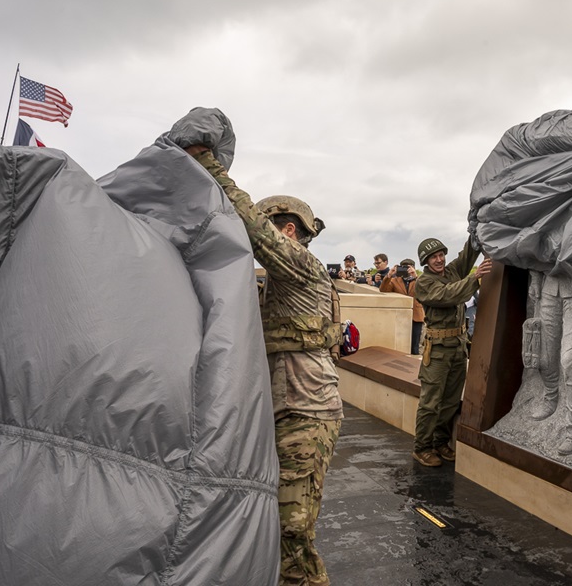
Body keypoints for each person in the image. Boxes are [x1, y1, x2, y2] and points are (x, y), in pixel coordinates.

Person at [180, 143, 342, 586]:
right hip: (289, 407)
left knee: (292, 528)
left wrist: (209, 166)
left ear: (288, 231)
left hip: (307, 411)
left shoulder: (302, 265)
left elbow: (251, 226)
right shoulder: (279, 284)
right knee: (278, 519)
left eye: (273, 231)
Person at [412, 237, 492, 467]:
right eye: (433, 257)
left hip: (457, 347)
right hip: (437, 352)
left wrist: (476, 231)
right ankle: (422, 447)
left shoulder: (451, 271)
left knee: (449, 401)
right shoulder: (424, 282)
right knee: (430, 403)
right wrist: (475, 278)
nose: (439, 259)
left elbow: (467, 254)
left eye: (441, 255)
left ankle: (440, 442)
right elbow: (449, 295)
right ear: (425, 261)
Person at [380, 258, 425, 355]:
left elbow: (425, 291)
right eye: (403, 268)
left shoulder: (419, 280)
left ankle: (415, 362)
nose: (406, 270)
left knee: (415, 344)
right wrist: (389, 275)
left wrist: (415, 276)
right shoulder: (395, 280)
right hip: (400, 317)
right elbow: (383, 289)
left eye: (408, 267)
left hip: (416, 316)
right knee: (401, 344)